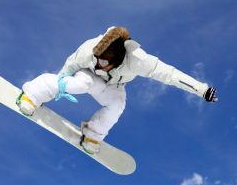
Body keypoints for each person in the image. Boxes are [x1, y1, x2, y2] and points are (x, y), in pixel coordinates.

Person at [16, 26, 218, 155]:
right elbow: (69, 68)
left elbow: (170, 74)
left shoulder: (139, 61)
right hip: (87, 78)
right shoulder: (90, 50)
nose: (98, 63)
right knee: (80, 84)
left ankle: (93, 134)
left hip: (113, 87)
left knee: (118, 104)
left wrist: (202, 90)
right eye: (97, 58)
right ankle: (33, 93)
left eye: (103, 61)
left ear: (117, 59)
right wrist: (58, 85)